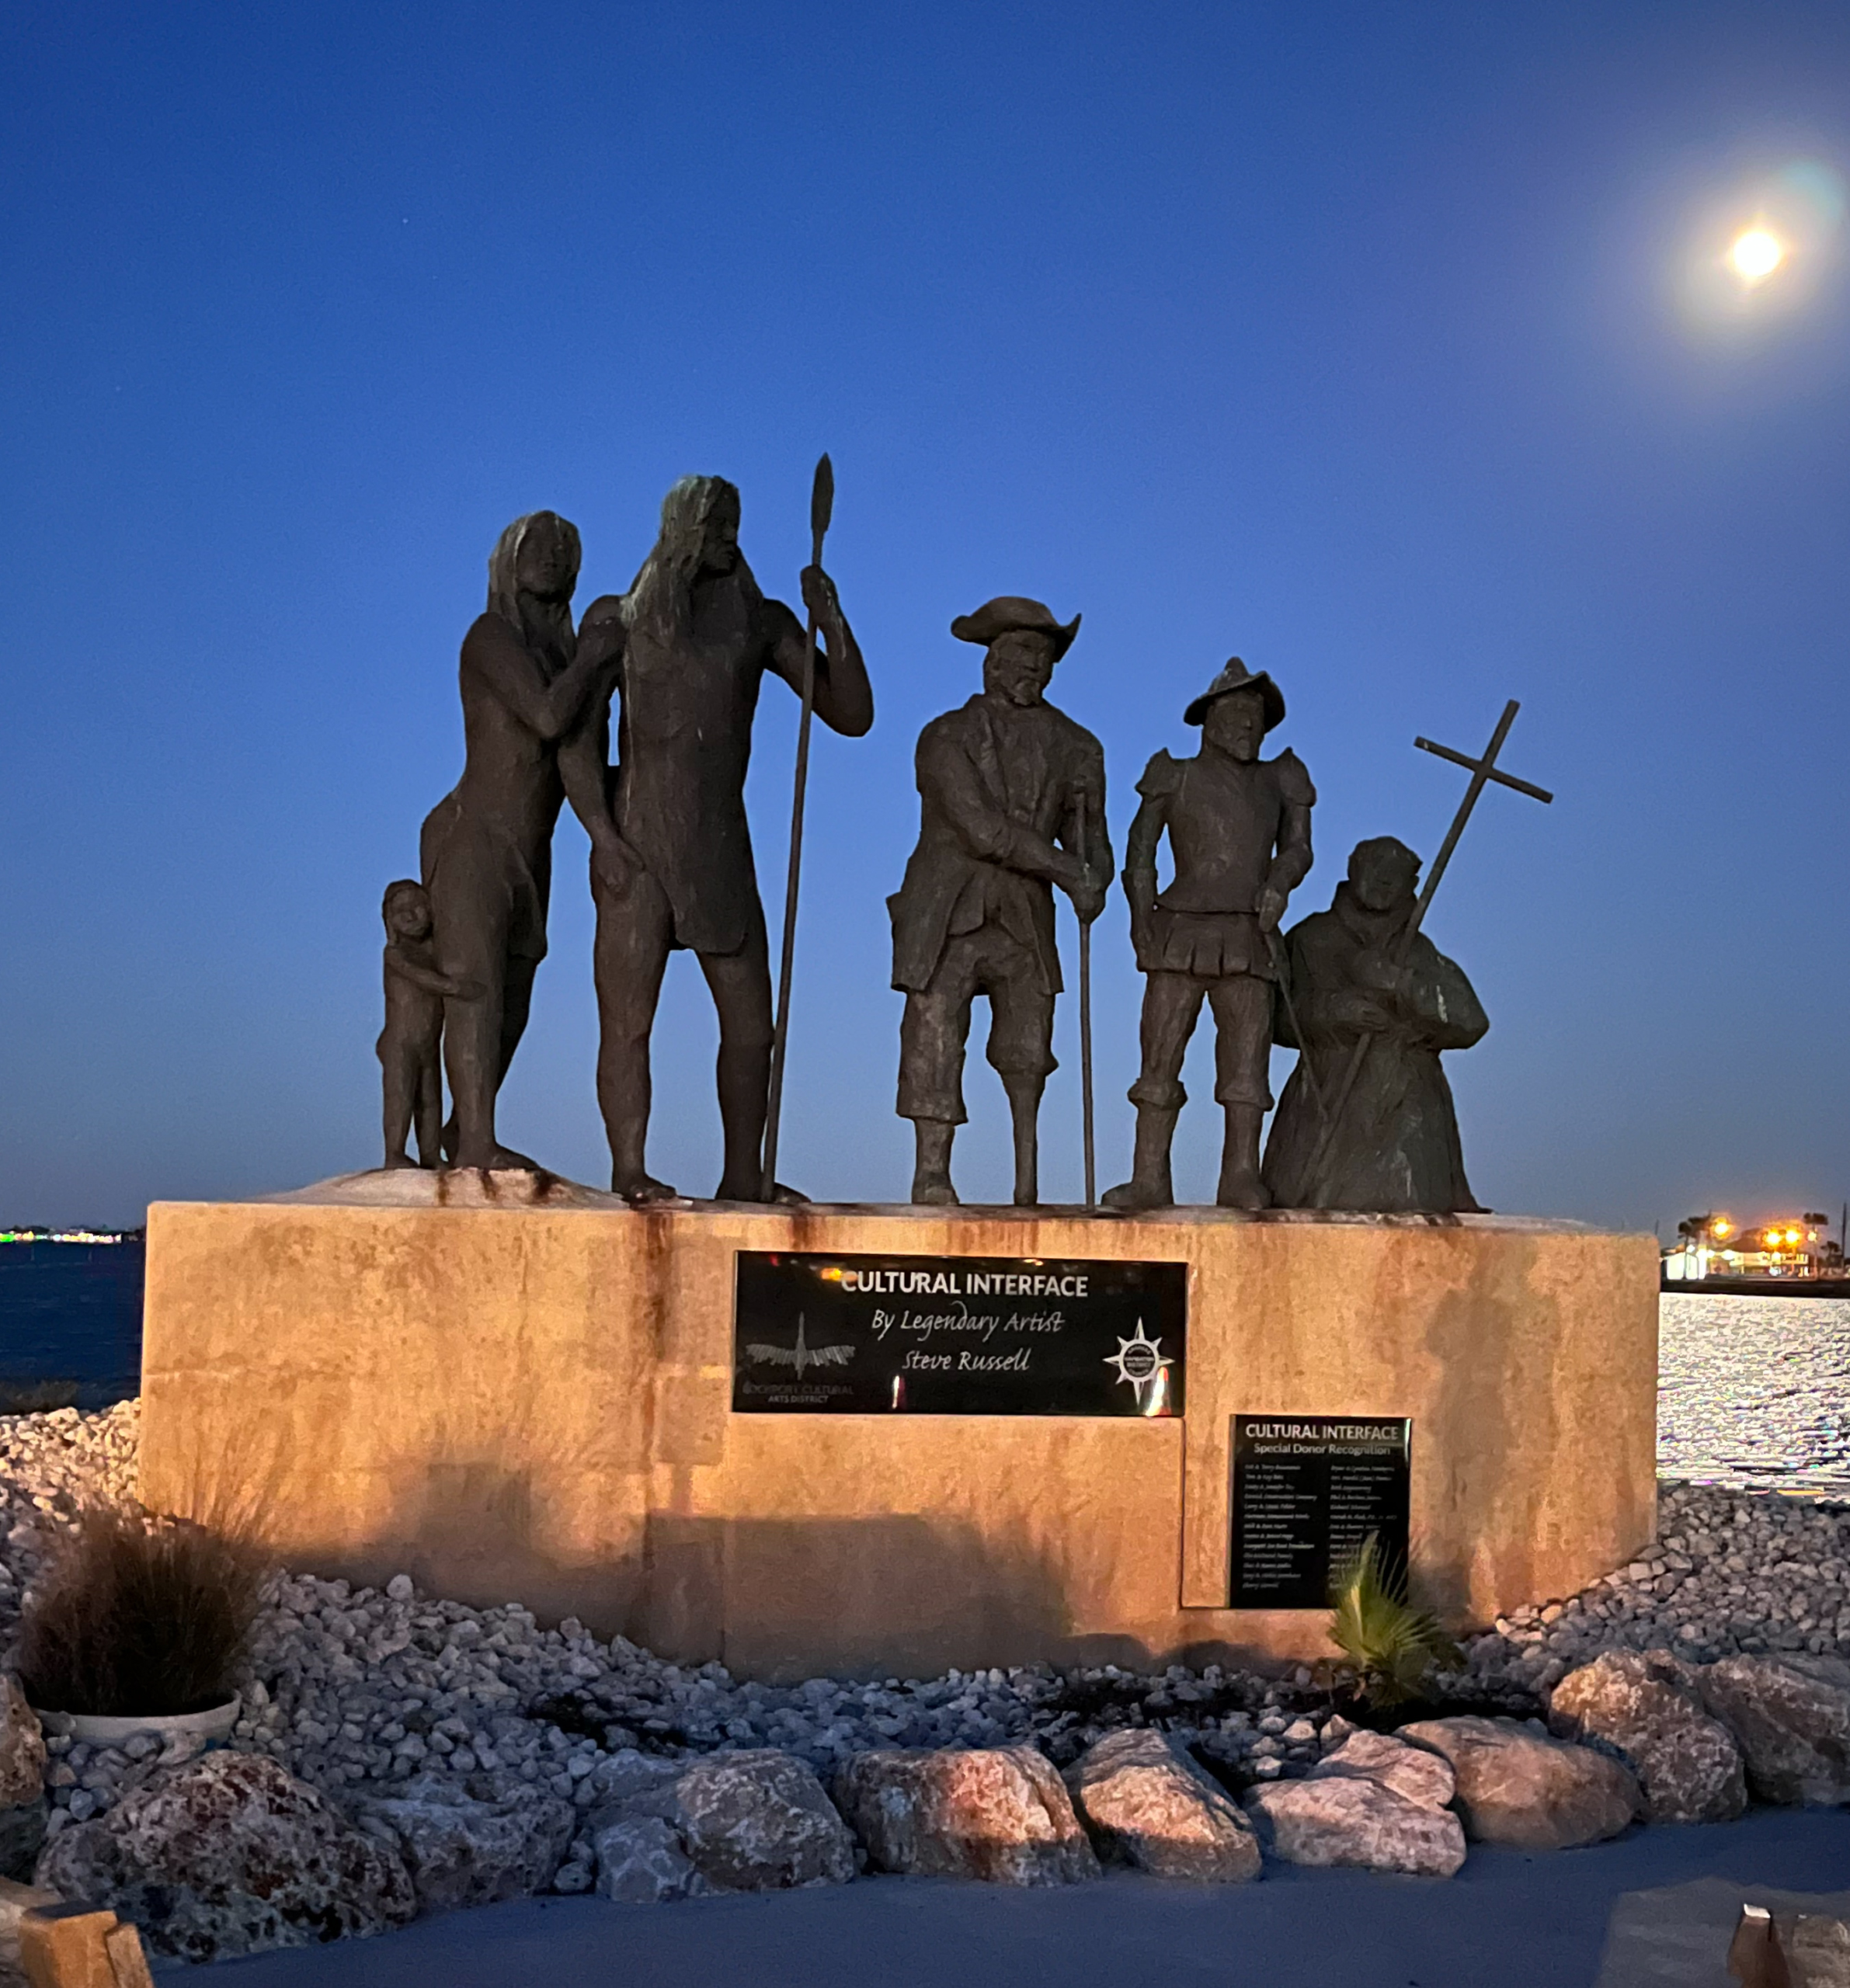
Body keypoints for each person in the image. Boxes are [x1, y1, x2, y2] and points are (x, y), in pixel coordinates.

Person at [567, 475, 872, 1202]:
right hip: (637, 846)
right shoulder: (619, 621)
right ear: (680, 529)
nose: (729, 536)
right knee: (629, 1024)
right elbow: (578, 739)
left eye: (735, 522)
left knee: (751, 1030)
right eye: (714, 524)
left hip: (719, 848)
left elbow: (851, 713)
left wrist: (832, 622)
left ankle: (743, 1174)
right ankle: (630, 1169)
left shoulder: (759, 623)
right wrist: (602, 837)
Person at [888, 597, 1110, 1207]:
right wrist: (1069, 869)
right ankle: (932, 1172)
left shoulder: (1078, 747)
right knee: (934, 1036)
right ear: (989, 661)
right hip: (947, 914)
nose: (1029, 667)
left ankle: (1027, 1179)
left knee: (1029, 1051)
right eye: (1017, 653)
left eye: (1041, 656)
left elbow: (1095, 845)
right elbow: (981, 829)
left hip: (1024, 921)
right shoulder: (944, 736)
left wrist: (1096, 871)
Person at [419, 512, 622, 1170]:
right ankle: (475, 1139)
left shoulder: (568, 658)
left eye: (568, 549)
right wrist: (596, 657)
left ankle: (464, 1128)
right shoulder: (491, 636)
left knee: (515, 1004)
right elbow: (544, 716)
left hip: (532, 852)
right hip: (473, 836)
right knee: (475, 988)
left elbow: (580, 757)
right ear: (509, 558)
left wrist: (606, 836)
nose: (555, 557)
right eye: (541, 546)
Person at [1104, 659, 1313, 1210]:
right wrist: (1139, 922)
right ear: (1209, 722)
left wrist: (1280, 882)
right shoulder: (1173, 774)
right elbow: (1140, 855)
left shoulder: (1280, 779)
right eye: (1236, 716)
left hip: (1250, 932)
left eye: (1256, 719)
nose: (1248, 727)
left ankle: (1241, 1174)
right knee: (1159, 1061)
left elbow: (1298, 847)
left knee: (1246, 1068)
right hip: (1179, 929)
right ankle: (1148, 1177)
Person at [1261, 835, 1488, 1211]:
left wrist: (1402, 984)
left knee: (1414, 1220)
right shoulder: (1311, 938)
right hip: (1328, 1095)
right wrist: (1335, 1010)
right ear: (1353, 871)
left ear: (1411, 885)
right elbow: (1273, 1019)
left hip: (1407, 1105)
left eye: (1396, 874)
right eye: (1376, 869)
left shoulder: (1417, 949)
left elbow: (1471, 1023)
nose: (1384, 880)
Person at [375, 881, 482, 1170]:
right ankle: (394, 1152)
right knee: (401, 1098)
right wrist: (455, 988)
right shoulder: (396, 955)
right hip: (400, 1042)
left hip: (428, 1043)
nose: (411, 916)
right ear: (390, 921)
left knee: (430, 1100)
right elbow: (424, 979)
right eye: (401, 912)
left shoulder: (435, 950)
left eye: (418, 907)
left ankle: (431, 1154)